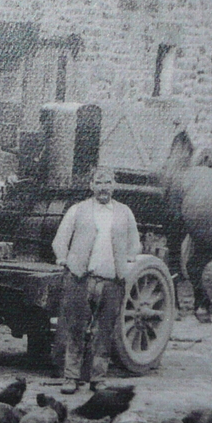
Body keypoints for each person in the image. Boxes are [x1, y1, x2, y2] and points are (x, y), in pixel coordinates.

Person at [51, 168, 142, 395]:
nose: (103, 187)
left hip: (112, 281)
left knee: (105, 331)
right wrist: (65, 261)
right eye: (99, 182)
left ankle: (98, 378)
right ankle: (71, 377)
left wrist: (126, 265)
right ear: (91, 185)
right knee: (75, 328)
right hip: (81, 279)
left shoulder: (124, 212)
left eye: (108, 182)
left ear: (114, 185)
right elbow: (60, 240)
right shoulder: (77, 210)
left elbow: (135, 245)